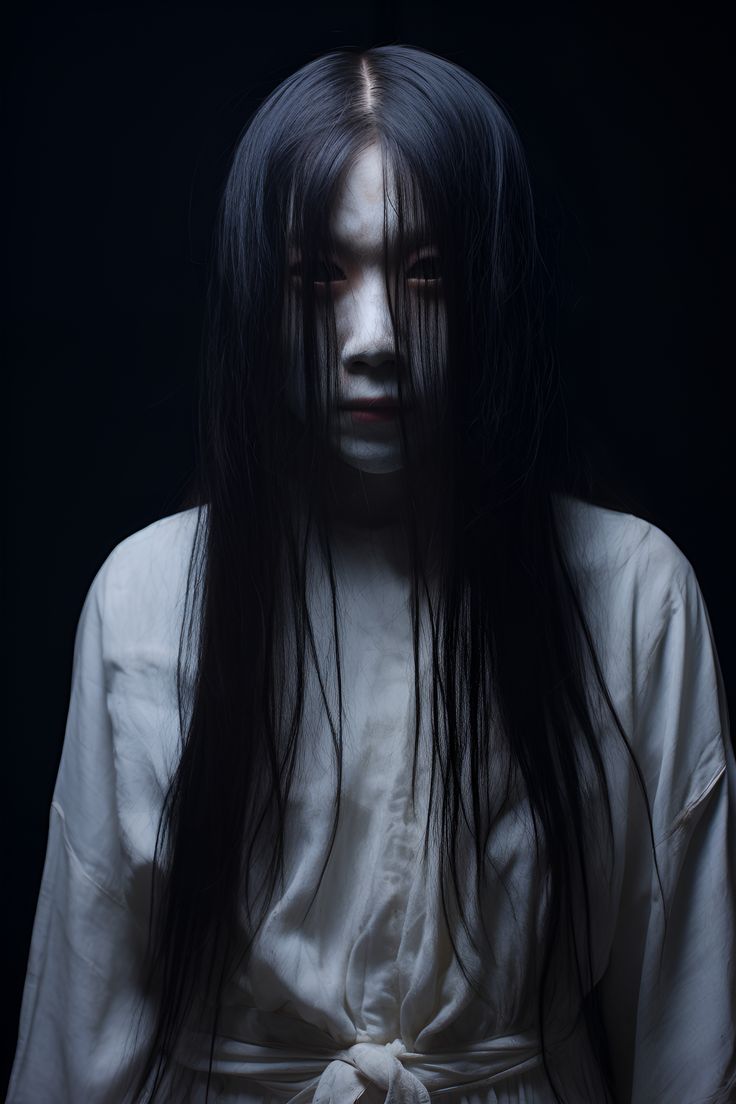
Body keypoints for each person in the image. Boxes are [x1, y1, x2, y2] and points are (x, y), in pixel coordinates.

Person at [7, 44, 735, 1104]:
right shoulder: (147, 596)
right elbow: (80, 1028)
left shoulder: (634, 596)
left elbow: (690, 1031)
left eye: (427, 273)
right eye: (318, 276)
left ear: (493, 286)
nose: (374, 339)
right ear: (261, 296)